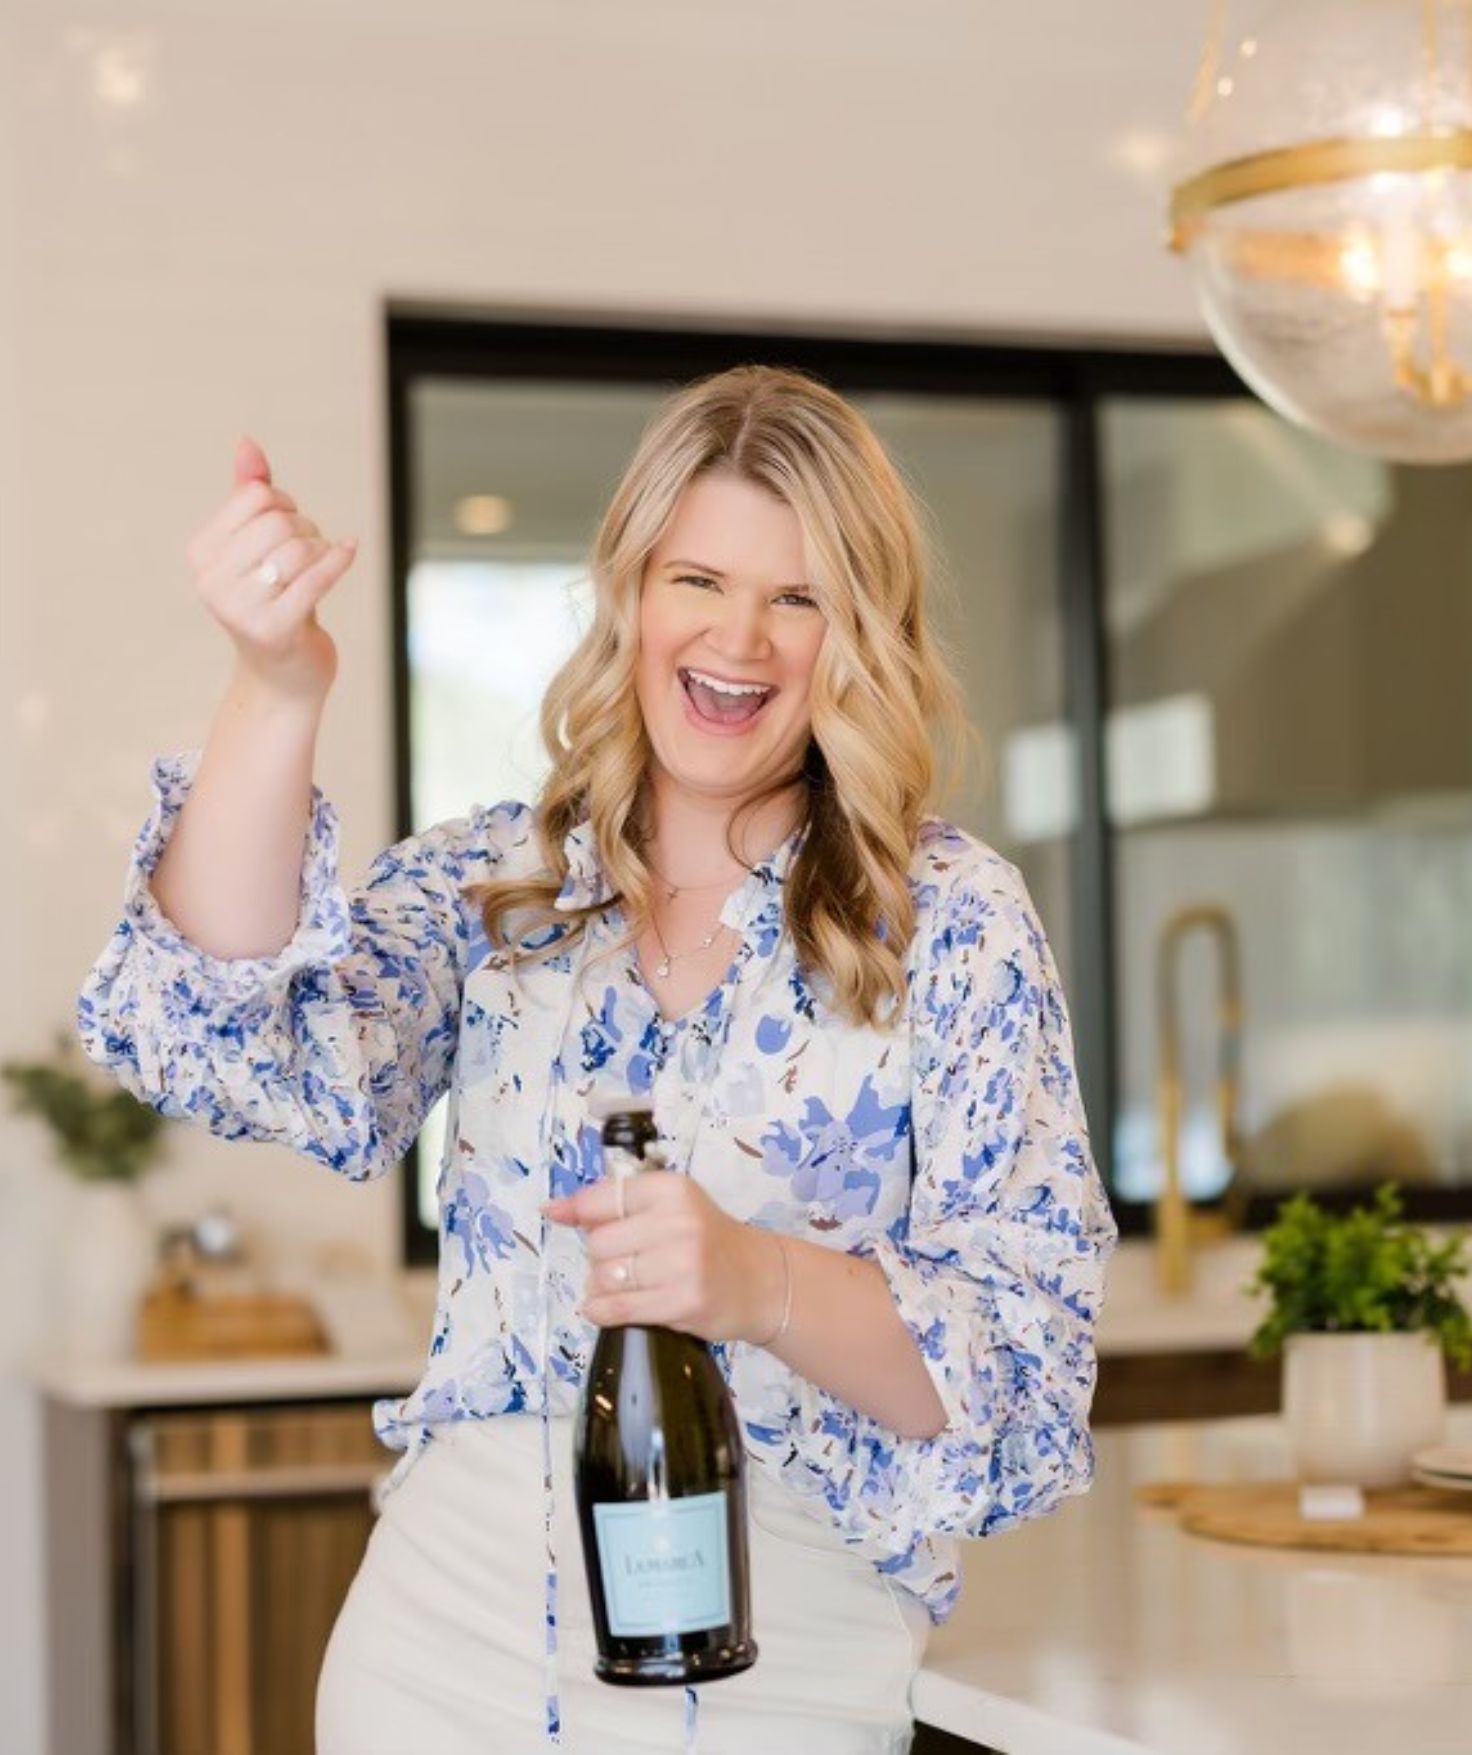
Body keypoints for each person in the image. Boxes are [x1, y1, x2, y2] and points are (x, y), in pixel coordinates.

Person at [79, 366, 1117, 1754]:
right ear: (630, 593)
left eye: (796, 596)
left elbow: (1029, 1365)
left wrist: (759, 1280)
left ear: (855, 631)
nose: (738, 635)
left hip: (778, 1665)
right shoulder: (504, 886)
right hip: (437, 1656)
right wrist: (275, 685)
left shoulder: (951, 922)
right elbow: (221, 1029)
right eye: (697, 576)